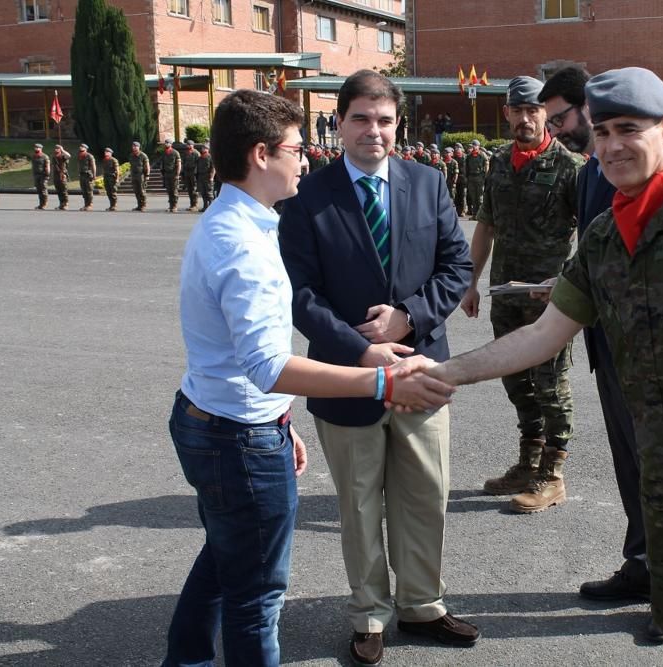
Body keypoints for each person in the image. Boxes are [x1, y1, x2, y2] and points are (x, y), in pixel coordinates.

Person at [428, 66, 663, 665]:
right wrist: (443, 373)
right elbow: (541, 336)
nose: (612, 145)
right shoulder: (606, 237)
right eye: (603, 130)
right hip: (660, 472)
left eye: (628, 129)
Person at [163, 87, 453, 667]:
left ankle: (187, 660)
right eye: (297, 147)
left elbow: (249, 359)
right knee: (257, 597)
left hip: (234, 417)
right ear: (262, 155)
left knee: (225, 563)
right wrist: (378, 378)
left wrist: (279, 418)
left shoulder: (244, 222)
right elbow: (269, 363)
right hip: (238, 434)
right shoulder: (245, 241)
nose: (306, 156)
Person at [277, 70, 478, 667]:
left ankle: (422, 604)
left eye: (384, 119)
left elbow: (456, 266)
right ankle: (369, 612)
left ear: (399, 125)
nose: (374, 130)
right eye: (361, 118)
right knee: (359, 503)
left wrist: (407, 319)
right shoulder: (308, 195)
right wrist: (363, 348)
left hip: (421, 368)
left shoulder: (428, 182)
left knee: (424, 493)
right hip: (346, 376)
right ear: (339, 123)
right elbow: (300, 292)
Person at [539, 65, 661, 642]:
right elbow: (594, 248)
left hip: (657, 352)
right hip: (608, 343)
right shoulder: (591, 171)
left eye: (562, 117)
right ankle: (642, 566)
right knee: (630, 463)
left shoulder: (648, 176)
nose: (557, 129)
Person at [462, 75, 584, 513]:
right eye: (519, 110)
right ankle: (528, 462)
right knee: (516, 381)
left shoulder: (571, 167)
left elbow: (591, 234)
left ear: (545, 114)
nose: (526, 118)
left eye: (534, 110)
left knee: (552, 384)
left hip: (550, 300)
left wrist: (569, 284)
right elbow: (486, 225)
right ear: (508, 113)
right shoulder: (498, 162)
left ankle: (553, 475)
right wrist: (470, 281)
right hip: (505, 293)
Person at [464, 139, 488, 218]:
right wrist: (466, 177)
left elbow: (486, 165)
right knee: (473, 197)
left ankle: (480, 215)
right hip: (471, 177)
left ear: (478, 146)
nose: (474, 147)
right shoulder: (469, 156)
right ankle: (474, 215)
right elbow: (466, 167)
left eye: (475, 145)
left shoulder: (482, 155)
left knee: (480, 197)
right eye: (473, 145)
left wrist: (485, 176)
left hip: (480, 177)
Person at [161, 138, 182, 213]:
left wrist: (177, 174)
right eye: (165, 143)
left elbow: (179, 164)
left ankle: (174, 206)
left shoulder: (175, 153)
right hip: (166, 174)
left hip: (173, 174)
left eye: (168, 143)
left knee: (174, 191)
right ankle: (170, 206)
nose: (166, 144)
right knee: (169, 190)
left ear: (171, 144)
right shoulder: (164, 153)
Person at [129, 141, 150, 212]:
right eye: (133, 146)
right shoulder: (131, 155)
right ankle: (139, 205)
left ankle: (143, 205)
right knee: (136, 191)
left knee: (141, 191)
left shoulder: (143, 155)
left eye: (136, 146)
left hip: (141, 175)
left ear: (139, 147)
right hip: (134, 175)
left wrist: (147, 175)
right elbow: (131, 166)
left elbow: (147, 166)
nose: (134, 147)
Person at [76, 143, 97, 211]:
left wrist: (94, 175)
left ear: (85, 148)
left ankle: (90, 204)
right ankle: (86, 204)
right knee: (84, 190)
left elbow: (93, 166)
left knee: (89, 190)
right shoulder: (79, 155)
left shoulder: (89, 156)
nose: (81, 147)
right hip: (82, 175)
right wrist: (79, 172)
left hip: (88, 175)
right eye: (80, 146)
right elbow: (79, 165)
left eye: (82, 147)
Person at [182, 138, 200, 211]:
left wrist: (196, 173)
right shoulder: (186, 153)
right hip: (187, 173)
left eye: (190, 144)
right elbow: (184, 162)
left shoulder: (196, 153)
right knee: (189, 189)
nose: (188, 146)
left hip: (193, 173)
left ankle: (195, 205)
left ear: (193, 145)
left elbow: (198, 164)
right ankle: (191, 204)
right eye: (187, 144)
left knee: (194, 189)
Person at [197, 141, 216, 210]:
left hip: (208, 176)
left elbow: (213, 168)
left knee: (209, 193)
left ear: (208, 149)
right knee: (203, 192)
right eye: (202, 148)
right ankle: (205, 206)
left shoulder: (210, 157)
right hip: (201, 176)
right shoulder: (200, 158)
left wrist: (212, 177)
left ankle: (211, 207)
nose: (203, 149)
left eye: (205, 148)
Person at [51, 144, 70, 210]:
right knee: (58, 190)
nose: (56, 149)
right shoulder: (54, 156)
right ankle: (61, 204)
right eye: (56, 148)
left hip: (62, 175)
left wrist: (62, 150)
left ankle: (66, 204)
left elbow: (68, 156)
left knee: (63, 190)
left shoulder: (63, 156)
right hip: (56, 175)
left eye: (58, 148)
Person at [102, 147, 119, 211]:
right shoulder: (104, 160)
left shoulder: (114, 160)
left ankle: (114, 205)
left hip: (112, 178)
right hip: (106, 178)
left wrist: (117, 178)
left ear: (111, 153)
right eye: (105, 152)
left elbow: (117, 170)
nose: (106, 153)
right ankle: (111, 205)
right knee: (108, 192)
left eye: (107, 152)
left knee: (113, 192)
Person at [453, 143, 467, 215]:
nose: (457, 149)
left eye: (458, 148)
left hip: (463, 179)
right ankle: (458, 210)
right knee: (457, 196)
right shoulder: (454, 158)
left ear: (462, 149)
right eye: (456, 148)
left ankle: (463, 210)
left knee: (463, 195)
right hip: (456, 180)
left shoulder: (466, 157)